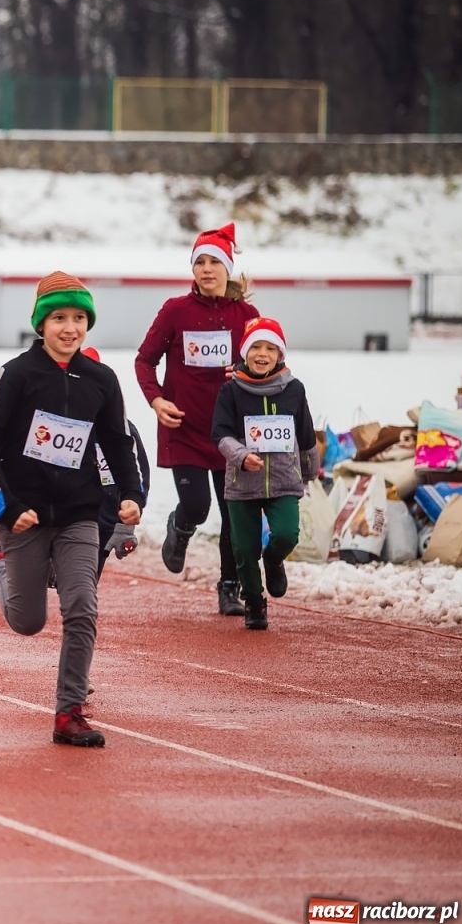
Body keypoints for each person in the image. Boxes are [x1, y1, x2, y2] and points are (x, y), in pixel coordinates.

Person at [0, 272, 142, 748]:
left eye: (79, 318)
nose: (69, 327)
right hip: (25, 515)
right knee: (27, 621)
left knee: (82, 605)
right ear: (41, 323)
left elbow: (120, 443)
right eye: (59, 317)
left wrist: (131, 494)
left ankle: (69, 712)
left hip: (80, 514)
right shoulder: (18, 373)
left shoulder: (100, 379)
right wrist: (7, 503)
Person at [135, 223, 259, 616]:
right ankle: (181, 525)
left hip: (229, 432)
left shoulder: (247, 315)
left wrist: (243, 372)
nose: (206, 269)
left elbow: (268, 365)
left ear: (228, 268)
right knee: (197, 504)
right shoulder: (176, 310)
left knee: (232, 515)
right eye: (199, 262)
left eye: (214, 262)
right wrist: (156, 401)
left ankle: (229, 587)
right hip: (184, 426)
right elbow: (144, 360)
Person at [210, 317, 318, 630]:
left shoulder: (294, 389)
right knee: (243, 549)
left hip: (284, 479)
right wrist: (241, 456)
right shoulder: (230, 391)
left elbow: (306, 434)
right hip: (242, 481)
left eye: (270, 348)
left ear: (279, 354)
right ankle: (254, 601)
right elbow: (220, 434)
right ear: (244, 352)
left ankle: (273, 560)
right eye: (255, 347)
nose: (262, 354)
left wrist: (310, 473)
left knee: (286, 533)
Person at [76, 348, 151, 579]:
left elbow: (138, 479)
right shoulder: (56, 425)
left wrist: (125, 525)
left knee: (83, 590)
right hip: (62, 523)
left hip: (104, 526)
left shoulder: (123, 430)